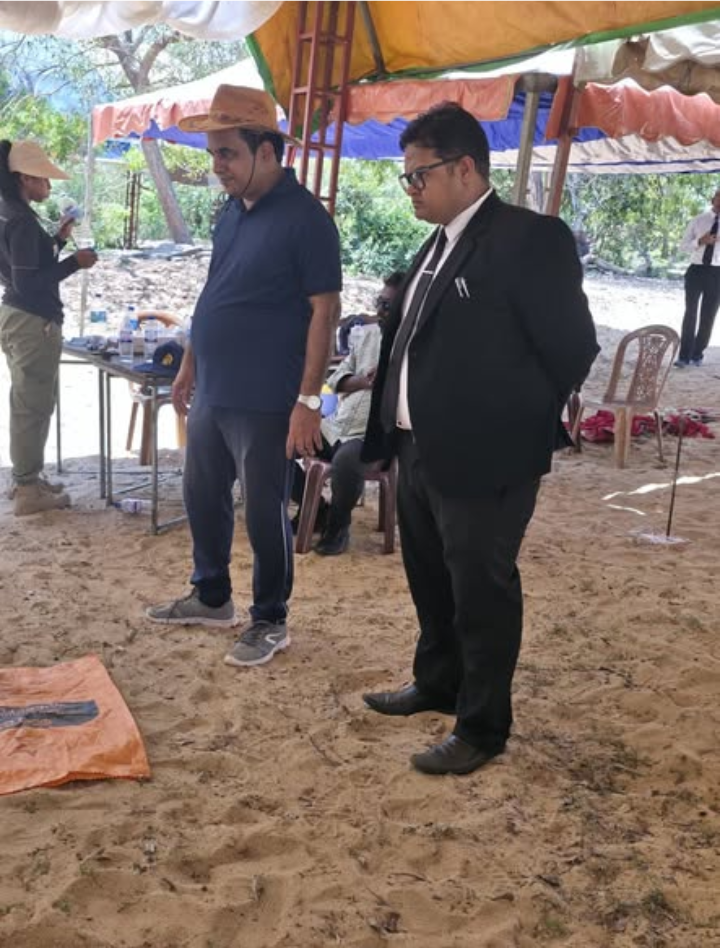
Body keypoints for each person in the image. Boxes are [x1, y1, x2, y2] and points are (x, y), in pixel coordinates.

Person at [361, 103, 599, 776]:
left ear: (465, 168)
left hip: (488, 456)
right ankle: (438, 681)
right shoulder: (436, 243)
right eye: (406, 177)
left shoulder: (528, 238)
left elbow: (572, 348)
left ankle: (483, 725)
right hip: (417, 445)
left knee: (481, 591)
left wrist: (511, 420)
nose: (410, 189)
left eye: (419, 175)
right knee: (431, 578)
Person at [146, 85, 342, 668]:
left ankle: (270, 619)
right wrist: (190, 361)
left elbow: (325, 311)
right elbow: (215, 289)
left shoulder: (306, 219)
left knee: (262, 510)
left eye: (227, 153)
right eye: (213, 154)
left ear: (266, 150)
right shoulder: (231, 212)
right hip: (215, 386)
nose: (218, 166)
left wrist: (309, 400)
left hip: (266, 394)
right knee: (202, 494)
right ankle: (212, 597)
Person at [0, 140, 97, 516]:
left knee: (28, 401)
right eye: (44, 179)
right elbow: (30, 283)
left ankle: (27, 477)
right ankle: (27, 488)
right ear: (25, 178)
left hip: (16, 314)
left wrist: (57, 239)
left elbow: (22, 270)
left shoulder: (9, 213)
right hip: (32, 319)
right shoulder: (22, 221)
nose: (49, 186)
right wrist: (75, 262)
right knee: (33, 405)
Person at [291, 272, 404, 555]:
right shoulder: (367, 337)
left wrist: (390, 381)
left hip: (373, 434)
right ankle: (317, 509)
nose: (380, 310)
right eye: (379, 302)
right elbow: (336, 379)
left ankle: (338, 527)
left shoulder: (414, 344)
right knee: (281, 442)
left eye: (387, 305)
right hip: (338, 426)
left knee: (346, 462)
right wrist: (364, 381)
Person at [675, 188, 720, 367]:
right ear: (712, 199)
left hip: (717, 273)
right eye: (719, 197)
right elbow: (683, 247)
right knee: (690, 313)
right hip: (696, 271)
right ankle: (683, 356)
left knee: (708, 316)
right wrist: (700, 241)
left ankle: (697, 354)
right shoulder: (698, 220)